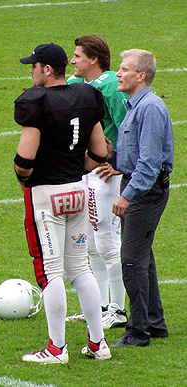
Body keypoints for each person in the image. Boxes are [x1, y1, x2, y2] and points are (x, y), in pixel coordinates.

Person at [14, 43, 111, 364]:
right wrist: (73, 168)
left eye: (34, 66)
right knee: (80, 268)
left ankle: (57, 349)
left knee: (50, 272)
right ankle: (98, 344)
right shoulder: (85, 95)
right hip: (77, 192)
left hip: (46, 195)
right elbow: (100, 153)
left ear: (46, 69)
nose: (30, 71)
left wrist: (25, 176)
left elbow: (24, 159)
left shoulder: (35, 102)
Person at [110, 49, 173, 347]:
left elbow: (149, 163)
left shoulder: (149, 108)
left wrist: (127, 196)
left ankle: (137, 332)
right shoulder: (137, 105)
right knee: (142, 256)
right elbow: (136, 155)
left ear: (141, 76)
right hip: (141, 186)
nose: (119, 74)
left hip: (145, 191)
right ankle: (154, 323)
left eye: (124, 69)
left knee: (132, 260)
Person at [65, 35, 128, 329]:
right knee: (90, 242)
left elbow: (129, 127)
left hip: (104, 172)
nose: (73, 60)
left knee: (106, 239)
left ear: (94, 59)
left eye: (78, 56)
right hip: (85, 170)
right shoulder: (75, 85)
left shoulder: (113, 87)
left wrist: (119, 163)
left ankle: (117, 309)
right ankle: (101, 306)